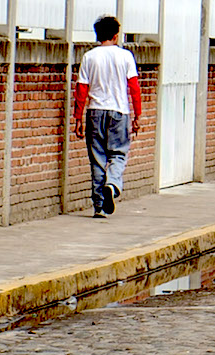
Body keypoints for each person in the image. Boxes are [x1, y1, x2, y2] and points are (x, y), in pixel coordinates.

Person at [74, 15, 142, 219]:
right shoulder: (125, 56)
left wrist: (78, 118)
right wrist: (137, 115)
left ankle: (99, 206)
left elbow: (81, 89)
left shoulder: (89, 57)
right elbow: (134, 88)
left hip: (95, 111)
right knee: (118, 154)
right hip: (119, 112)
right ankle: (112, 185)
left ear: (98, 35)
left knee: (97, 158)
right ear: (115, 35)